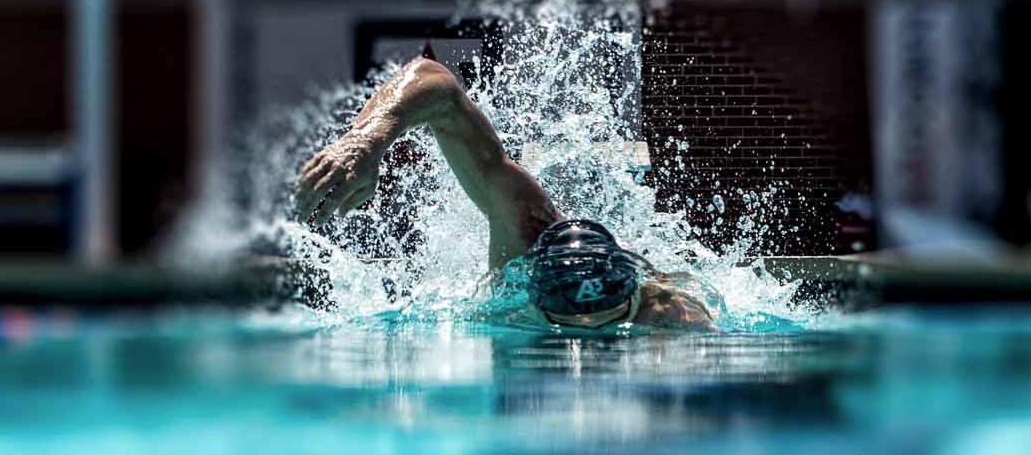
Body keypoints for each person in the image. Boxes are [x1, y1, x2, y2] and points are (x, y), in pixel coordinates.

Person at [293, 53, 717, 330]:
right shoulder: (525, 236)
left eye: (608, 326)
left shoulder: (671, 317)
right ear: (534, 294)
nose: (585, 344)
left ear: (632, 299)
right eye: (567, 327)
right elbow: (434, 80)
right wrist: (367, 139)